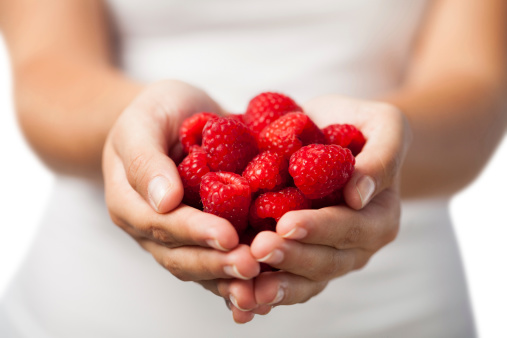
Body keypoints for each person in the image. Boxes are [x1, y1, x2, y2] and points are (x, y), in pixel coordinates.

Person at [0, 0, 505, 336]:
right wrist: (132, 128)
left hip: (397, 316)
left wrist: (382, 153)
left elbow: (478, 89)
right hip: (92, 313)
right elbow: (46, 73)